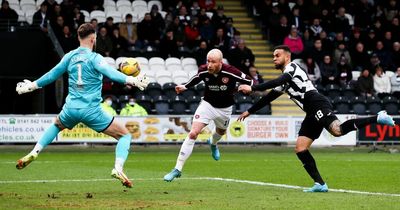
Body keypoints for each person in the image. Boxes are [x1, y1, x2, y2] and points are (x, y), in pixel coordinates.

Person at [237, 45, 395, 193]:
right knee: (300, 148)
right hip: (310, 111)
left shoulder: (292, 68)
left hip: (316, 102)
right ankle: (320, 184)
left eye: (277, 55)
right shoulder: (285, 79)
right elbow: (270, 96)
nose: (274, 59)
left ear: (287, 56)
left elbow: (277, 82)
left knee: (337, 130)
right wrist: (249, 111)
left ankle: (378, 117)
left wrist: (253, 87)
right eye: (273, 56)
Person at [15, 23, 149, 188]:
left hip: (71, 108)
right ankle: (118, 168)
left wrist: (31, 85)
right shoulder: (95, 58)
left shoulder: (69, 56)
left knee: (57, 125)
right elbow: (110, 73)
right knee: (124, 135)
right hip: (91, 110)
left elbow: (52, 75)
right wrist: (132, 80)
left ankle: (34, 152)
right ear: (93, 39)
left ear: (79, 37)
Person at [163, 49, 253, 182]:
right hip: (207, 105)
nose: (209, 65)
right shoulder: (204, 70)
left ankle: (213, 143)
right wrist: (185, 87)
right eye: (208, 61)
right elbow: (196, 78)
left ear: (220, 63)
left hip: (225, 109)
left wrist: (242, 87)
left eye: (213, 62)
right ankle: (177, 169)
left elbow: (250, 81)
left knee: (220, 132)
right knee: (193, 133)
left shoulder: (231, 71)